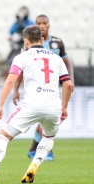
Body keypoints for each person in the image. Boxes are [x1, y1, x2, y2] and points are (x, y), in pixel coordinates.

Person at [0, 25, 73, 184]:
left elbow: (11, 80)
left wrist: (0, 105)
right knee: (48, 137)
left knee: (3, 137)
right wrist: (64, 107)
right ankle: (34, 165)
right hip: (54, 105)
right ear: (42, 39)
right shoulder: (57, 58)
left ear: (26, 42)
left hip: (31, 104)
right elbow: (68, 85)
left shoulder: (21, 57)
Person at [13, 14, 75, 161]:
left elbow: (67, 63)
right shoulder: (28, 45)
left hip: (54, 85)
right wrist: (16, 90)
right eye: (38, 23)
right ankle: (44, 149)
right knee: (46, 116)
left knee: (46, 117)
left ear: (48, 25)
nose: (42, 26)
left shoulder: (57, 43)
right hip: (36, 87)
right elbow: (20, 69)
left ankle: (36, 148)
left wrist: (70, 81)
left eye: (44, 23)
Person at [2, 6, 34, 79]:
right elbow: (10, 34)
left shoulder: (30, 23)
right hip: (17, 47)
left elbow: (33, 34)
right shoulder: (16, 23)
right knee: (9, 61)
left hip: (27, 47)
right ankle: (7, 79)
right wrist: (13, 38)